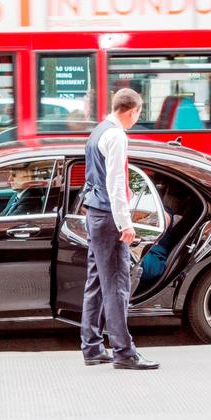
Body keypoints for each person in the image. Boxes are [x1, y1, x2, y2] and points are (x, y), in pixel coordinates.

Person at [80, 88, 159, 370]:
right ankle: (124, 352)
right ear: (132, 111)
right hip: (109, 217)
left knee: (96, 282)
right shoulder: (117, 136)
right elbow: (116, 183)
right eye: (138, 114)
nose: (136, 119)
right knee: (116, 285)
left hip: (95, 215)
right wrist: (126, 224)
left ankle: (91, 347)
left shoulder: (98, 131)